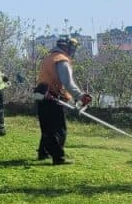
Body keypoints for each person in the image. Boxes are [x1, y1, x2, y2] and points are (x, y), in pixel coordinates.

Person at [34, 37, 92, 165]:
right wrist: (81, 96)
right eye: (72, 48)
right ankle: (58, 158)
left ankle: (43, 153)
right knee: (59, 130)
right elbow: (68, 83)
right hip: (52, 98)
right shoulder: (62, 60)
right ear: (66, 47)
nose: (73, 50)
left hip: (42, 96)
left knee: (47, 129)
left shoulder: (49, 58)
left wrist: (71, 100)